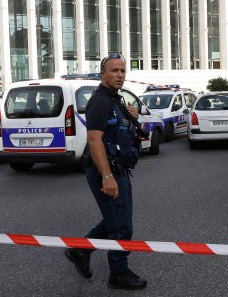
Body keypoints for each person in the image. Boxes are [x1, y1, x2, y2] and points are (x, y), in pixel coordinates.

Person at [64, 53, 147, 290]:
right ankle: (118, 273)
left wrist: (133, 118)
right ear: (103, 74)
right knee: (121, 226)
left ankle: (80, 250)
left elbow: (121, 132)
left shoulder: (115, 99)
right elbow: (94, 140)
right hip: (107, 172)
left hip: (119, 170)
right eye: (114, 71)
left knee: (117, 221)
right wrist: (107, 176)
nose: (120, 75)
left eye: (122, 71)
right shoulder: (100, 100)